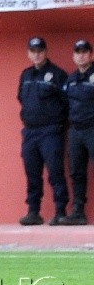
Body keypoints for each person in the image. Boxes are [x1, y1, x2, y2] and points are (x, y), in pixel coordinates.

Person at [17, 37, 69, 225]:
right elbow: (21, 99)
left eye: (40, 50)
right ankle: (33, 212)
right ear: (29, 53)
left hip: (50, 131)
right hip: (30, 132)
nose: (36, 54)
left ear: (46, 52)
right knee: (32, 173)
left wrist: (57, 124)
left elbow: (66, 103)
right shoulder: (26, 75)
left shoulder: (57, 75)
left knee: (55, 171)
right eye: (33, 50)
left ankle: (61, 212)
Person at [60, 39, 94, 225]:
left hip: (92, 129)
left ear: (91, 55)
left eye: (84, 51)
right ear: (74, 56)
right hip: (75, 131)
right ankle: (78, 212)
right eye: (78, 52)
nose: (81, 55)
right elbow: (65, 105)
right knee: (76, 172)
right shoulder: (71, 79)